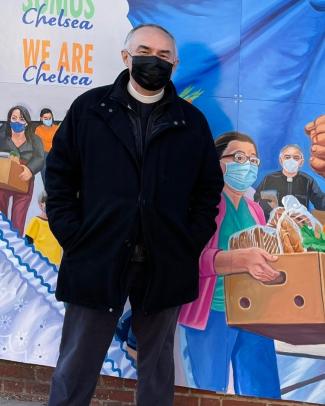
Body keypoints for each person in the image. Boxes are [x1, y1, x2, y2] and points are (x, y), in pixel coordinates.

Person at [45, 24, 223, 406]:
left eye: (163, 56)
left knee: (157, 371)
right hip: (97, 256)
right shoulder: (89, 110)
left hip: (165, 264)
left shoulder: (191, 123)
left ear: (175, 63)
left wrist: (187, 241)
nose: (153, 61)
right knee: (76, 365)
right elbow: (59, 175)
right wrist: (73, 234)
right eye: (145, 51)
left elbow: (208, 190)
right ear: (126, 57)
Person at [179, 132, 281, 398]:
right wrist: (237, 260)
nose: (247, 165)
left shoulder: (255, 209)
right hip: (211, 312)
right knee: (207, 392)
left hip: (252, 313)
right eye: (238, 157)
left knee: (263, 391)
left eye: (253, 160)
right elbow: (186, 258)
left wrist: (279, 230)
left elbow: (263, 250)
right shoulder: (200, 205)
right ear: (216, 161)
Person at [0, 105, 44, 236]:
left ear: (26, 122)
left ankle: (16, 242)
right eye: (14, 118)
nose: (17, 122)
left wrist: (30, 170)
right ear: (9, 120)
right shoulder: (2, 137)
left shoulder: (35, 139)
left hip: (25, 179)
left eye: (21, 119)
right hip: (4, 178)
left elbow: (40, 158)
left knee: (19, 216)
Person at [254, 144, 325, 220]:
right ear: (281, 160)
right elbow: (256, 200)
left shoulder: (307, 180)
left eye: (296, 158)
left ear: (301, 162)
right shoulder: (269, 179)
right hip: (273, 225)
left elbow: (321, 203)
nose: (291, 160)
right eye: (287, 157)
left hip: (299, 226)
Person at [25, 190, 62, 267]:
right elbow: (27, 243)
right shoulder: (35, 221)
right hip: (40, 264)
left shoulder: (58, 222)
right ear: (41, 205)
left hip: (56, 264)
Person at [35, 108, 59, 185]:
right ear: (41, 118)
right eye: (46, 118)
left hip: (55, 152)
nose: (48, 120)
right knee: (44, 168)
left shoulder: (56, 128)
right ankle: (47, 188)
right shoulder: (38, 129)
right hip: (44, 153)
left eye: (50, 118)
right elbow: (38, 143)